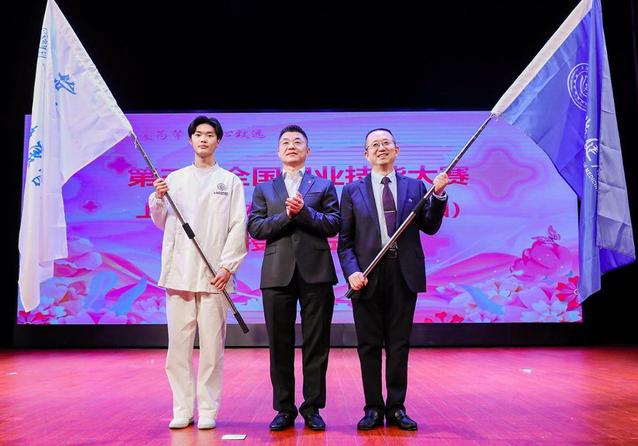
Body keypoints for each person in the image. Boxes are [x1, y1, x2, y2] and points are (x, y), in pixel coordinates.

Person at [338, 128, 449, 431]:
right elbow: (345, 242)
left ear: (397, 150)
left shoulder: (416, 186)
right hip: (367, 276)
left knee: (398, 344)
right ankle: (373, 408)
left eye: (386, 143)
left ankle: (396, 407)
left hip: (403, 273)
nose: (381, 148)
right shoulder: (352, 191)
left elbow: (430, 226)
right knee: (369, 345)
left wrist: (438, 195)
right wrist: (352, 272)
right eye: (374, 144)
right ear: (366, 155)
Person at [149, 116, 247, 430]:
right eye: (198, 134)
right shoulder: (174, 179)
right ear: (190, 140)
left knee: (212, 349)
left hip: (214, 276)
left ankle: (207, 409)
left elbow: (238, 226)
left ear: (218, 140)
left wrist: (227, 266)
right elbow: (161, 221)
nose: (203, 139)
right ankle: (182, 408)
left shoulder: (229, 181)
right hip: (179, 273)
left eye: (209, 135)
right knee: (177, 347)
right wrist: (158, 197)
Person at [247, 125, 340, 431]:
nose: (291, 146)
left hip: (317, 272)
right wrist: (286, 216)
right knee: (280, 345)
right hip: (277, 274)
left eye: (298, 142)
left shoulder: (324, 185)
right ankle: (284, 408)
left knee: (317, 344)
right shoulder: (264, 188)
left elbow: (333, 224)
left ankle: (312, 407)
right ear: (278, 152)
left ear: (307, 151)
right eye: (285, 142)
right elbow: (256, 228)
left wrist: (304, 213)